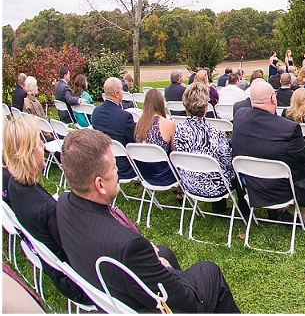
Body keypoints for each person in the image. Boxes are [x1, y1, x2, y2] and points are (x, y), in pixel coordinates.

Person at [57, 128, 240, 312]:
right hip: (140, 306)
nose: (117, 170)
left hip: (110, 285)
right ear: (100, 184)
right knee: (209, 272)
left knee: (164, 252)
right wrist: (167, 271)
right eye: (113, 167)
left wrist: (152, 262)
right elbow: (189, 304)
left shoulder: (64, 203)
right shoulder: (128, 247)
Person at [3, 115, 90, 304]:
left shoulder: (14, 184)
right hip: (78, 283)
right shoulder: (46, 209)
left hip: (55, 267)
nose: (43, 145)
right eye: (38, 143)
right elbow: (77, 253)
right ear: (26, 153)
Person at [231, 80, 305, 225]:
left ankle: (277, 211)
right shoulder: (288, 129)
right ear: (273, 98)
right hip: (279, 189)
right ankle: (291, 215)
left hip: (250, 185)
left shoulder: (239, 116)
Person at [174, 82, 246, 215]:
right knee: (236, 170)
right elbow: (227, 162)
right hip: (215, 188)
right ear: (206, 107)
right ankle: (244, 209)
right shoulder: (214, 132)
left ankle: (220, 206)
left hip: (189, 183)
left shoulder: (178, 129)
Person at [133, 89, 179, 195]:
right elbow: (174, 151)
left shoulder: (139, 124)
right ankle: (180, 191)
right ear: (160, 103)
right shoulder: (168, 123)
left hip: (144, 174)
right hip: (164, 176)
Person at [91, 77, 136, 179]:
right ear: (116, 93)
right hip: (124, 167)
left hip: (103, 161)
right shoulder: (125, 117)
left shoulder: (96, 112)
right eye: (121, 90)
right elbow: (133, 141)